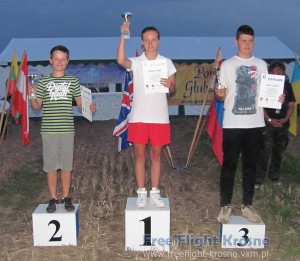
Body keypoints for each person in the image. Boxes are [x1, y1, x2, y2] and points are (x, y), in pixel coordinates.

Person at [29, 45, 96, 213]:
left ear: (67, 61)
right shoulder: (43, 82)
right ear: (50, 60)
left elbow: (81, 105)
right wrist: (30, 95)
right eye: (56, 59)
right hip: (49, 130)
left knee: (66, 166)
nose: (59, 62)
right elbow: (37, 107)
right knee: (51, 167)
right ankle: (53, 198)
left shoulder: (73, 81)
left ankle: (66, 197)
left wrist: (90, 107)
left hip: (67, 130)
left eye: (63, 59)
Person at [117, 23, 176, 208]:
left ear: (158, 41)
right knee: (140, 156)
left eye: (153, 39)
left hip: (159, 118)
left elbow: (173, 88)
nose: (150, 43)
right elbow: (120, 61)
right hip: (139, 118)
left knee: (157, 156)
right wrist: (123, 36)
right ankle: (141, 191)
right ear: (142, 42)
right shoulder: (137, 62)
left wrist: (170, 86)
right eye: (147, 40)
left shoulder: (167, 62)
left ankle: (155, 191)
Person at [215, 25, 269, 223]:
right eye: (244, 40)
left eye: (251, 41)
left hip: (255, 124)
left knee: (250, 166)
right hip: (233, 124)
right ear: (236, 41)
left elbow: (266, 96)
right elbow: (220, 95)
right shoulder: (227, 65)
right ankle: (225, 206)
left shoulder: (262, 65)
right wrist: (219, 95)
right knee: (229, 166)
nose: (247, 44)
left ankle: (247, 205)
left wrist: (277, 98)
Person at [256, 61, 295, 186]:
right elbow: (260, 105)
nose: (279, 72)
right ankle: (258, 179)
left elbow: (291, 104)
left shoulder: (287, 86)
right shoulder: (264, 85)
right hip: (267, 123)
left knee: (278, 150)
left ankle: (274, 177)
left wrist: (285, 119)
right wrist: (269, 120)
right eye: (276, 69)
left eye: (281, 70)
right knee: (264, 151)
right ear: (270, 72)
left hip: (283, 124)